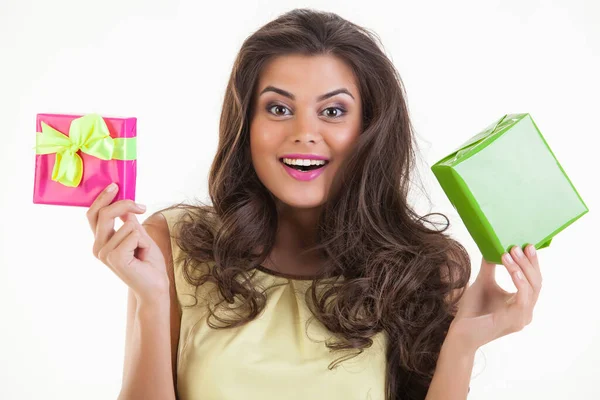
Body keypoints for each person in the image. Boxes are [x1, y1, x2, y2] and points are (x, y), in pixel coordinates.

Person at [85, 8, 542, 400]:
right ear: (246, 124)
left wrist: (463, 344)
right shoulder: (174, 243)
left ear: (370, 126)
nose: (304, 132)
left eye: (333, 111)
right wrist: (151, 299)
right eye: (279, 109)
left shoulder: (427, 268)